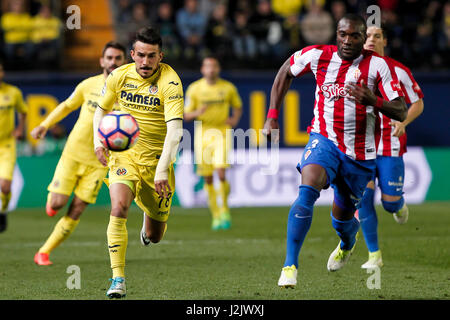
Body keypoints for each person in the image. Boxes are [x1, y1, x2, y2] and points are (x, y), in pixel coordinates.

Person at [262, 14, 408, 288]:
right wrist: (272, 114)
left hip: (359, 156)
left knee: (342, 220)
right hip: (324, 140)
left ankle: (346, 242)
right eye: (343, 34)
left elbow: (400, 109)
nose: (347, 40)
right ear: (336, 34)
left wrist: (373, 100)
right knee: (307, 189)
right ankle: (290, 265)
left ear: (363, 39)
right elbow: (285, 70)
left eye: (354, 36)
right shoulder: (318, 55)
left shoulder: (378, 67)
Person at [93, 27, 184, 299]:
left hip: (158, 162)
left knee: (156, 235)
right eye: (140, 55)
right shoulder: (119, 76)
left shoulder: (171, 82)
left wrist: (160, 172)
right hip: (125, 155)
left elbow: (176, 131)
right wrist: (99, 142)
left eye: (151, 56)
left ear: (160, 56)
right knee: (118, 206)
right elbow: (101, 111)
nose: (145, 62)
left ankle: (148, 225)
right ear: (132, 54)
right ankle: (117, 278)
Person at [31, 41, 127, 265]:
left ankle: (43, 252)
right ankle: (53, 203)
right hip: (74, 153)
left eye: (118, 58)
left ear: (124, 62)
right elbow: (66, 106)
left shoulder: (128, 94)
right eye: (110, 58)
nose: (113, 62)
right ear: (102, 61)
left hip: (101, 161)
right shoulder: (89, 85)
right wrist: (44, 125)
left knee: (77, 208)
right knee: (57, 204)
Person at [356, 25, 424, 269]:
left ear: (385, 40)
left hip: (390, 145)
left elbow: (417, 103)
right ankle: (374, 255)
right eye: (367, 37)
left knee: (389, 202)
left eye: (377, 36)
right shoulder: (353, 68)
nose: (371, 40)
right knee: (363, 198)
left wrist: (403, 121)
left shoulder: (398, 70)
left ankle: (398, 205)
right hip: (362, 145)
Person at [184, 56, 243, 230]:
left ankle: (224, 209)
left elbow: (238, 106)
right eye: (208, 66)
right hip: (202, 134)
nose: (211, 69)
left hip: (222, 133)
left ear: (218, 69)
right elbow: (185, 115)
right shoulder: (195, 89)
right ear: (203, 69)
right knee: (208, 177)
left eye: (214, 66)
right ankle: (216, 215)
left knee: (221, 171)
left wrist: (234, 119)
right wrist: (197, 112)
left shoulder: (228, 88)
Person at [0, 60, 27, 232]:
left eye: (0, 70)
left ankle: (2, 212)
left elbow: (23, 111)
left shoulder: (13, 92)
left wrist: (19, 129)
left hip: (6, 145)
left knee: (5, 186)